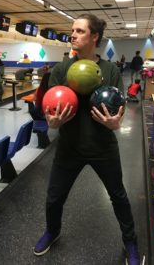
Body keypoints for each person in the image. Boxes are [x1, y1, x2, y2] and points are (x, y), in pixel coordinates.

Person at [34, 14, 140, 265]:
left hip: (102, 146)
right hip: (69, 147)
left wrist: (116, 123)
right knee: (54, 197)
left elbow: (119, 110)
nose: (73, 35)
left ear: (95, 36)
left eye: (80, 31)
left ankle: (130, 241)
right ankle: (52, 230)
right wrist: (52, 123)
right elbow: (50, 108)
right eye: (72, 30)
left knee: (119, 196)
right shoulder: (60, 70)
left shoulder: (110, 70)